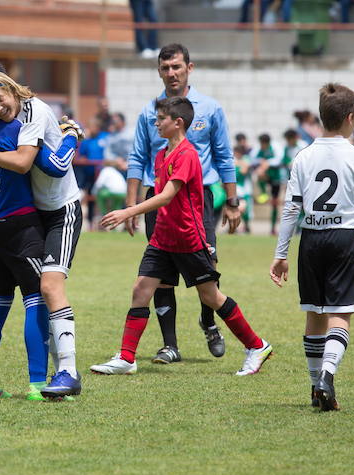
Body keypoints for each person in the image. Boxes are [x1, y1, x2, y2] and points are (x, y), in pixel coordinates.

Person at [96, 96, 274, 377]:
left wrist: (128, 212)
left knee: (211, 297)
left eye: (161, 119)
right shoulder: (161, 154)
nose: (156, 123)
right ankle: (127, 358)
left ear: (177, 123)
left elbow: (167, 196)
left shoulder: (188, 154)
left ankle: (256, 345)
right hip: (162, 239)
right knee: (141, 290)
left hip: (188, 239)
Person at [94, 44, 241, 373]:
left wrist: (232, 201)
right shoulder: (151, 111)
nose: (171, 73)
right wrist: (131, 203)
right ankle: (169, 345)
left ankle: (209, 322)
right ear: (159, 71)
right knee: (158, 277)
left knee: (208, 272)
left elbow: (224, 156)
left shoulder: (210, 109)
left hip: (196, 199)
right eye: (165, 68)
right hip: (156, 199)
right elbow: (137, 157)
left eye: (176, 67)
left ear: (190, 67)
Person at [270, 83, 354, 411]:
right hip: (345, 239)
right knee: (340, 315)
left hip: (311, 239)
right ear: (351, 118)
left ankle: (314, 387)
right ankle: (327, 375)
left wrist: (281, 254)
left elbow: (291, 208)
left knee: (314, 314)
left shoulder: (303, 156)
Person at [0, 71, 81, 401]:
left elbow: (50, 167)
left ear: (12, 89)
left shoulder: (11, 119)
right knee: (35, 296)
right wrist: (73, 133)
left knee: (9, 297)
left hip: (1, 220)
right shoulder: (6, 126)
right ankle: (37, 384)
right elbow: (27, 163)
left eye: (0, 99)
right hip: (18, 221)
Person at [250, 133, 285, 235]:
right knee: (259, 173)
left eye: (264, 144)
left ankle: (273, 227)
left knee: (274, 204)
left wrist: (266, 163)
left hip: (276, 177)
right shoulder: (257, 148)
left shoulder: (276, 147)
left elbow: (279, 160)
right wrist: (261, 162)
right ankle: (264, 193)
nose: (262, 146)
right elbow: (252, 158)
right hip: (265, 175)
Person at [77, 116, 108, 228]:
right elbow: (81, 155)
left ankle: (105, 221)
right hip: (90, 174)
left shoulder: (105, 137)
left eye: (92, 126)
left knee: (103, 197)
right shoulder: (86, 141)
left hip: (103, 174)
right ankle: (91, 222)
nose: (90, 129)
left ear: (98, 127)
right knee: (90, 198)